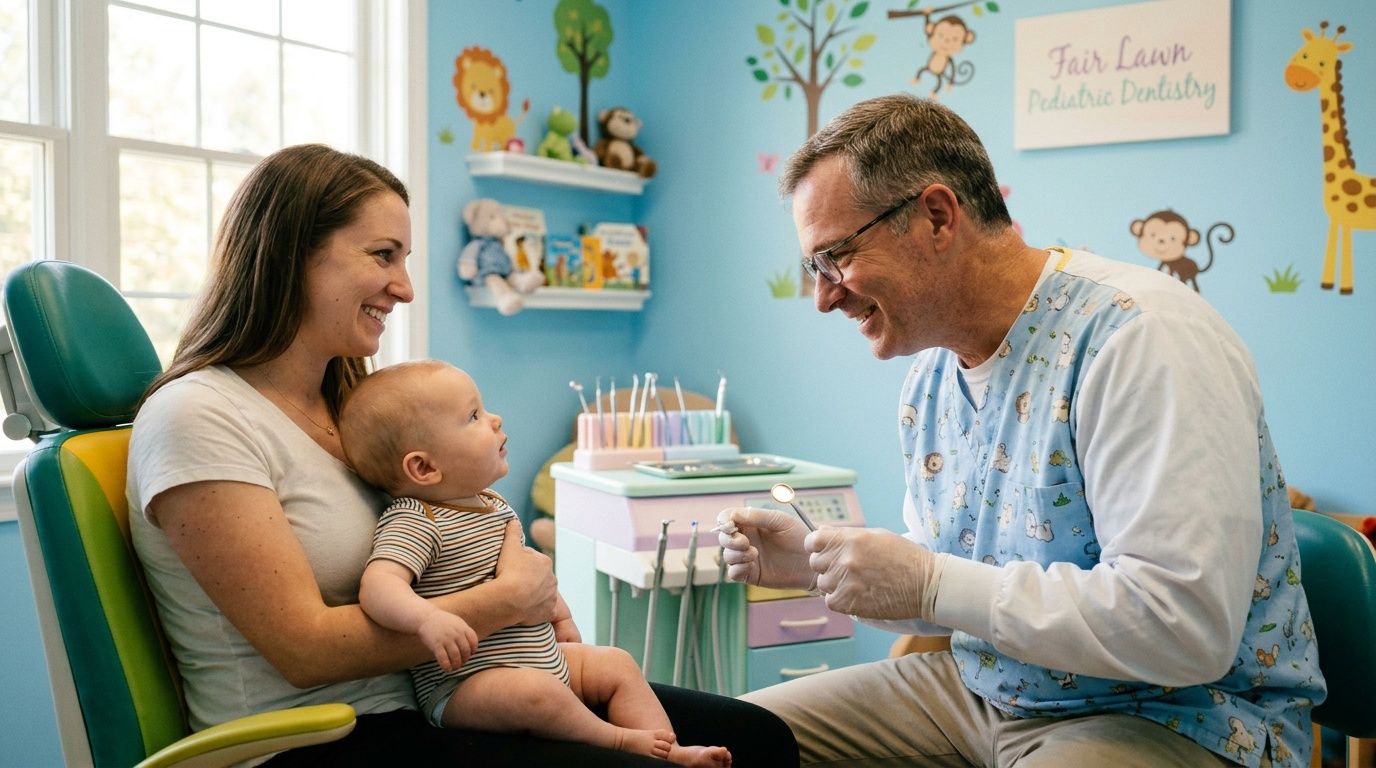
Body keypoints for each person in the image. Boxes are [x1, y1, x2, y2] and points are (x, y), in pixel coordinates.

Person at [127, 143, 796, 767]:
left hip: (432, 695)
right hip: (315, 738)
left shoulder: (350, 408)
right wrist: (509, 601)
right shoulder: (199, 417)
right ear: (293, 255)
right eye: (383, 255)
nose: (406, 288)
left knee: (757, 740)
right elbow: (303, 650)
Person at [717, 94, 1324, 768]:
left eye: (835, 257)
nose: (824, 295)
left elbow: (1185, 630)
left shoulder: (1139, 340)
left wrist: (929, 584)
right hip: (987, 689)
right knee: (730, 743)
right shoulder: (931, 381)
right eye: (814, 267)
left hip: (1182, 716)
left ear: (938, 216)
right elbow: (948, 585)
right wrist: (816, 570)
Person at [340, 359, 731, 767]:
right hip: (464, 687)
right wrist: (426, 619)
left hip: (545, 659)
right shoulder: (418, 520)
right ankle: (617, 740)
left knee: (617, 664)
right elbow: (378, 586)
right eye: (473, 416)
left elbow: (528, 574)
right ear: (423, 467)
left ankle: (673, 751)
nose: (495, 419)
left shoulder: (494, 506)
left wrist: (561, 617)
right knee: (536, 694)